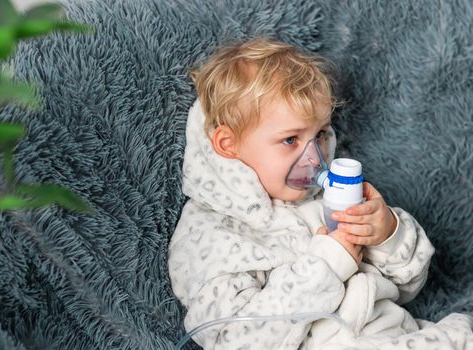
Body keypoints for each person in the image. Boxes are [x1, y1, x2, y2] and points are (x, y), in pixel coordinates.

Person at [168, 37, 473, 349]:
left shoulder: (324, 201)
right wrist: (326, 264)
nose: (314, 157)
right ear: (228, 145)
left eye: (321, 134)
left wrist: (387, 234)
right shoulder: (210, 236)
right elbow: (234, 339)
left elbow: (407, 288)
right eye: (290, 140)